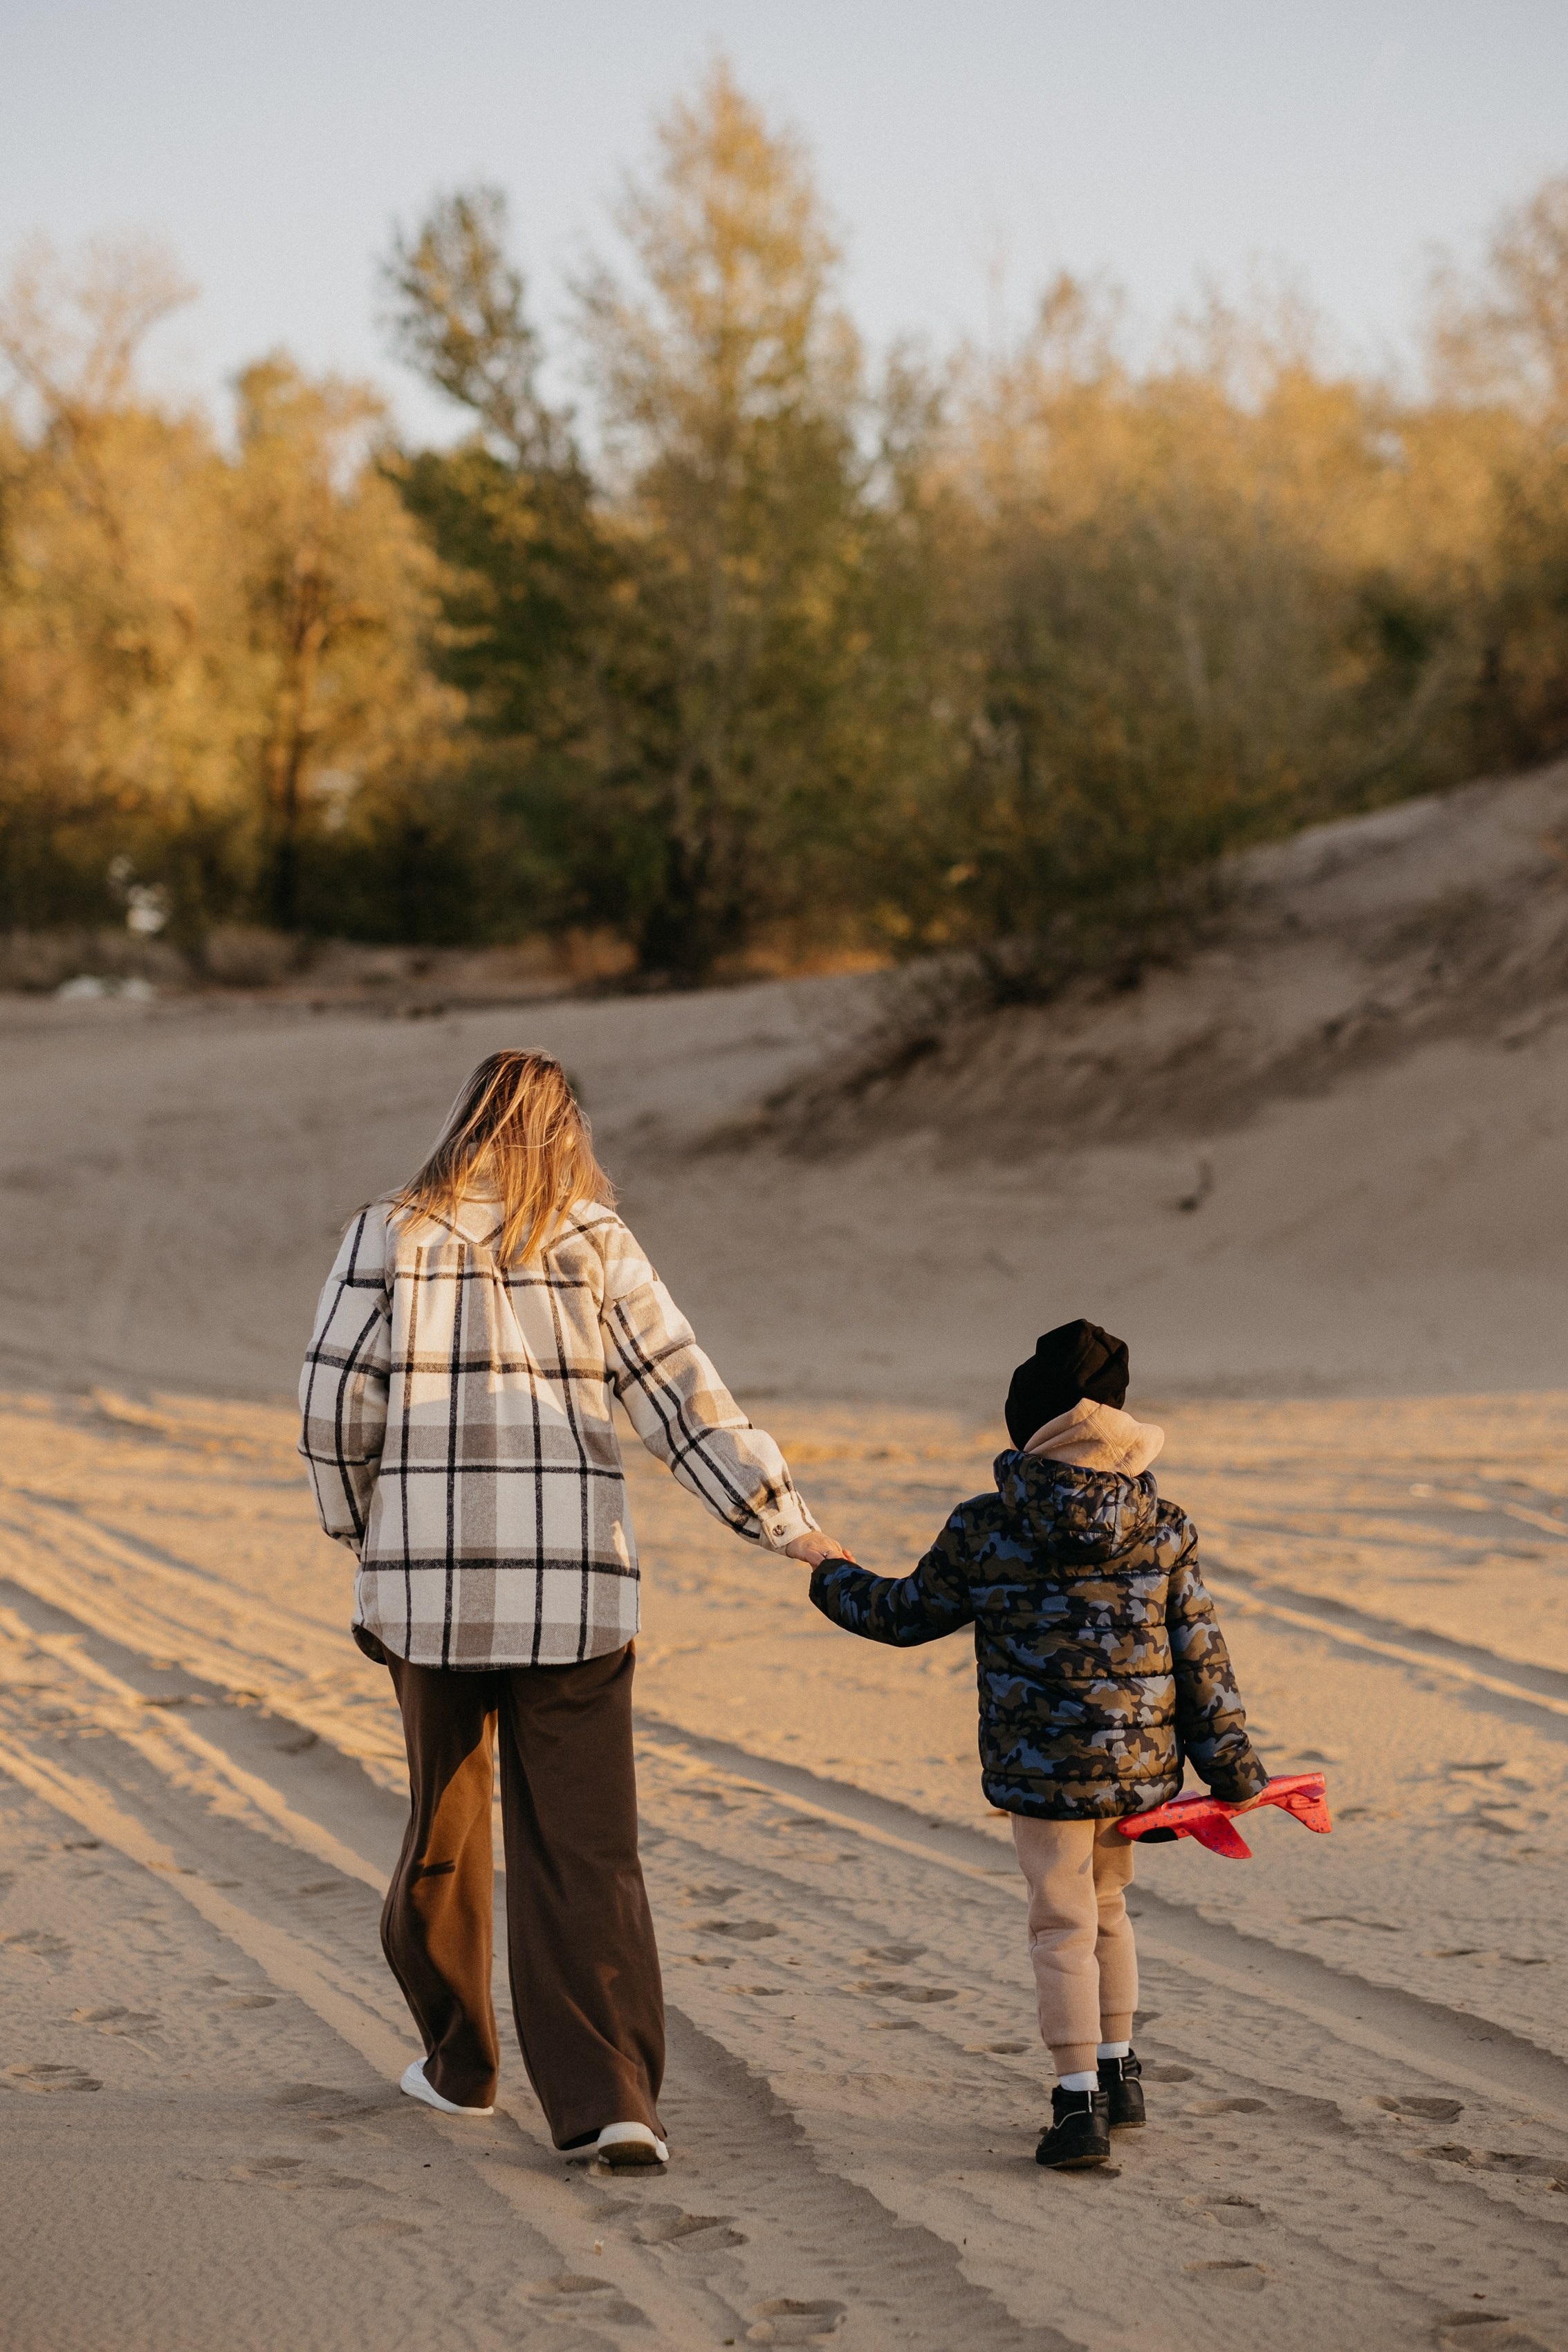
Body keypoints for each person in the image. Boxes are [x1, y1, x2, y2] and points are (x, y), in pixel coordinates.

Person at [298, 1049, 846, 2167]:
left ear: (463, 1122)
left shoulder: (387, 1233)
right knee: (587, 1852)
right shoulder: (596, 1238)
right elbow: (681, 1395)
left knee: (444, 1835)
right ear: (566, 1132)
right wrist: (780, 1520)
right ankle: (609, 2104)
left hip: (430, 1597)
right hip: (577, 1595)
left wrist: (362, 1530)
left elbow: (332, 1406)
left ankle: (462, 2070)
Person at [807, 1319, 1268, 2170]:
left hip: (1042, 1771)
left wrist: (827, 1568)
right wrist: (1232, 1766)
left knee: (1059, 1922)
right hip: (1134, 1771)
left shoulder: (987, 1525)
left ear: (1029, 1422)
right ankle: (1119, 2072)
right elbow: (1201, 1654)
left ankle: (1075, 2105)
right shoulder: (1163, 1524)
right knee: (1106, 1909)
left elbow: (900, 1614)